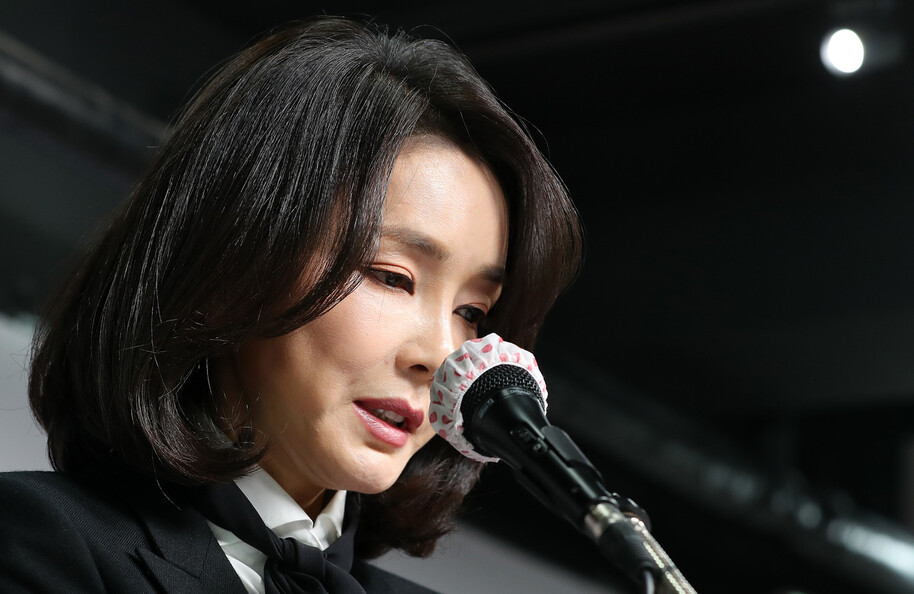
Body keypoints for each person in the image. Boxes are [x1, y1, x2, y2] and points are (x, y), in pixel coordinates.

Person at [0, 16, 582, 593]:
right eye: (392, 277)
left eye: (473, 313)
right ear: (234, 256)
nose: (440, 357)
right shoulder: (40, 541)